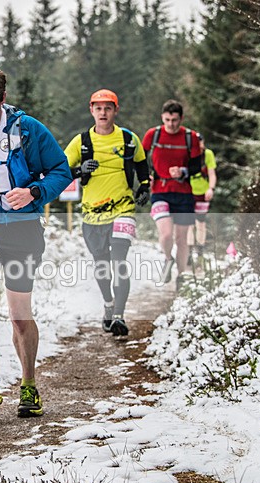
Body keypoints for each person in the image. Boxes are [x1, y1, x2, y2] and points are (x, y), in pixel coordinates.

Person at [0, 66, 72, 421]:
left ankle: (29, 384)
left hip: (22, 229)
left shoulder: (28, 129)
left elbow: (61, 171)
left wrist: (34, 191)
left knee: (20, 315)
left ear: (3, 99)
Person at [63, 89, 150, 337]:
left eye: (108, 108)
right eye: (98, 108)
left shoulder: (129, 139)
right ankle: (109, 305)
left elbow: (142, 164)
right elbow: (61, 170)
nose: (103, 113)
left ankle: (119, 316)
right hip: (92, 214)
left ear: (115, 110)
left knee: (119, 261)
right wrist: (80, 170)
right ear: (91, 110)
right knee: (102, 266)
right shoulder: (81, 142)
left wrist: (145, 187)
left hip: (123, 209)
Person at [142, 99, 203, 289]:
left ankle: (181, 277)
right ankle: (168, 259)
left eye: (175, 120)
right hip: (160, 191)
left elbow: (197, 166)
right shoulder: (153, 135)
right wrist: (146, 176)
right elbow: (140, 159)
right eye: (167, 120)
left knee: (182, 239)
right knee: (167, 234)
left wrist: (183, 172)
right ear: (162, 118)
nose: (171, 124)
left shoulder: (190, 137)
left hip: (183, 193)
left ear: (181, 119)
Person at [187, 134, 217, 265]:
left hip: (202, 192)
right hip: (187, 191)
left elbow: (212, 173)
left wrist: (211, 188)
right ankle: (188, 252)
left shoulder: (207, 154)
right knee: (188, 223)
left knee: (200, 222)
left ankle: (199, 251)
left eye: (200, 142)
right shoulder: (186, 154)